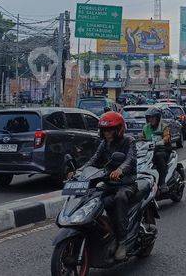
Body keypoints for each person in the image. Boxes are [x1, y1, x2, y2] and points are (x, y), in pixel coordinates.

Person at [79, 111, 137, 261]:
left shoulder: (129, 141)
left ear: (119, 130)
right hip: (109, 184)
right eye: (104, 130)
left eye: (110, 130)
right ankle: (106, 234)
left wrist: (120, 170)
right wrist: (79, 172)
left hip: (127, 183)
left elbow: (130, 160)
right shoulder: (104, 144)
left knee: (119, 198)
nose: (107, 133)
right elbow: (94, 160)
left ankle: (122, 242)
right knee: (94, 200)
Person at [141, 107, 171, 194]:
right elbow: (142, 138)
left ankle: (162, 183)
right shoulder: (145, 127)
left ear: (158, 118)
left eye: (153, 117)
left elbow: (166, 137)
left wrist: (161, 142)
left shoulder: (164, 126)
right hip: (149, 151)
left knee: (158, 156)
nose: (151, 119)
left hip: (163, 150)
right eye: (149, 117)